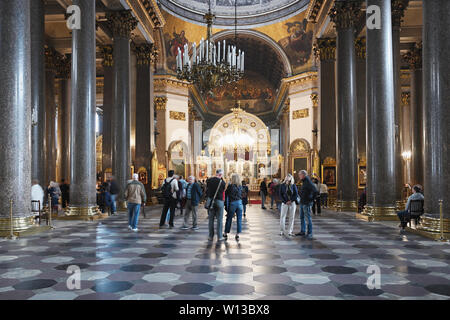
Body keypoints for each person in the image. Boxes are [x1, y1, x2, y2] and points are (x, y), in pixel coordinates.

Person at [206, 169, 226, 241]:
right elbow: (223, 190)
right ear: (220, 175)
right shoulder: (222, 182)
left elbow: (207, 189)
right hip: (219, 201)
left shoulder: (209, 180)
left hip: (211, 201)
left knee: (211, 219)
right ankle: (220, 236)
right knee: (219, 220)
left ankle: (210, 236)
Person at [224, 173, 244, 240]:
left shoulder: (230, 186)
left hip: (233, 203)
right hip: (240, 203)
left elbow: (226, 194)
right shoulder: (240, 186)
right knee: (239, 219)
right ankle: (238, 234)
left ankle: (225, 233)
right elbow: (243, 194)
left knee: (229, 218)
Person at [296, 170, 315, 240]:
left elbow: (315, 191)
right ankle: (302, 231)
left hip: (307, 203)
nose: (299, 176)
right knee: (301, 217)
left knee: (307, 218)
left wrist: (311, 199)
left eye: (299, 175)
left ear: (303, 175)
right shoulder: (304, 181)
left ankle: (309, 233)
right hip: (302, 202)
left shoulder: (308, 182)